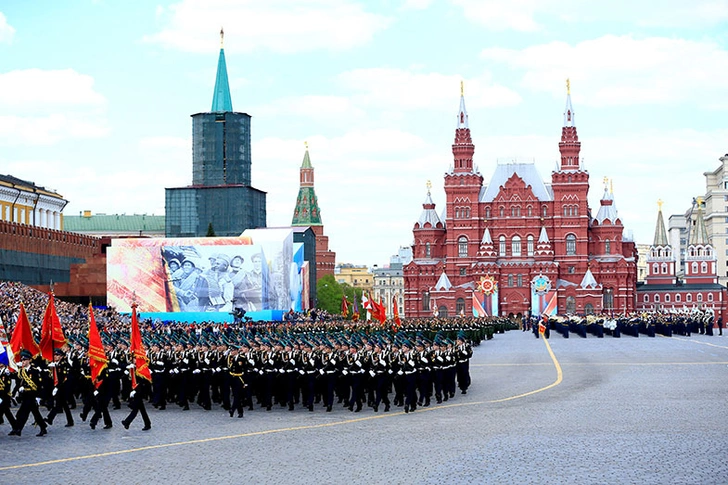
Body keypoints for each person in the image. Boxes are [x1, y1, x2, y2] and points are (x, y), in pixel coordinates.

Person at [9, 351, 48, 437]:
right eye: (22, 360)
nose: (23, 361)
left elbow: (39, 385)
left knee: (23, 413)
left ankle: (18, 429)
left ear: (29, 360)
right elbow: (18, 383)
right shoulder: (21, 371)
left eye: (25, 360)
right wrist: (17, 391)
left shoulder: (34, 371)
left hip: (32, 394)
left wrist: (38, 396)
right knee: (35, 413)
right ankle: (43, 427)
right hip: (25, 395)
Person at [45, 348, 74, 427]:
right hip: (58, 387)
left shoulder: (63, 364)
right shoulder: (55, 364)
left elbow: (63, 378)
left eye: (57, 355)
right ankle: (70, 421)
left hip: (63, 387)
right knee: (63, 405)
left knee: (59, 404)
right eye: (54, 355)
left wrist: (57, 387)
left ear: (61, 356)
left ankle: (50, 418)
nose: (55, 356)